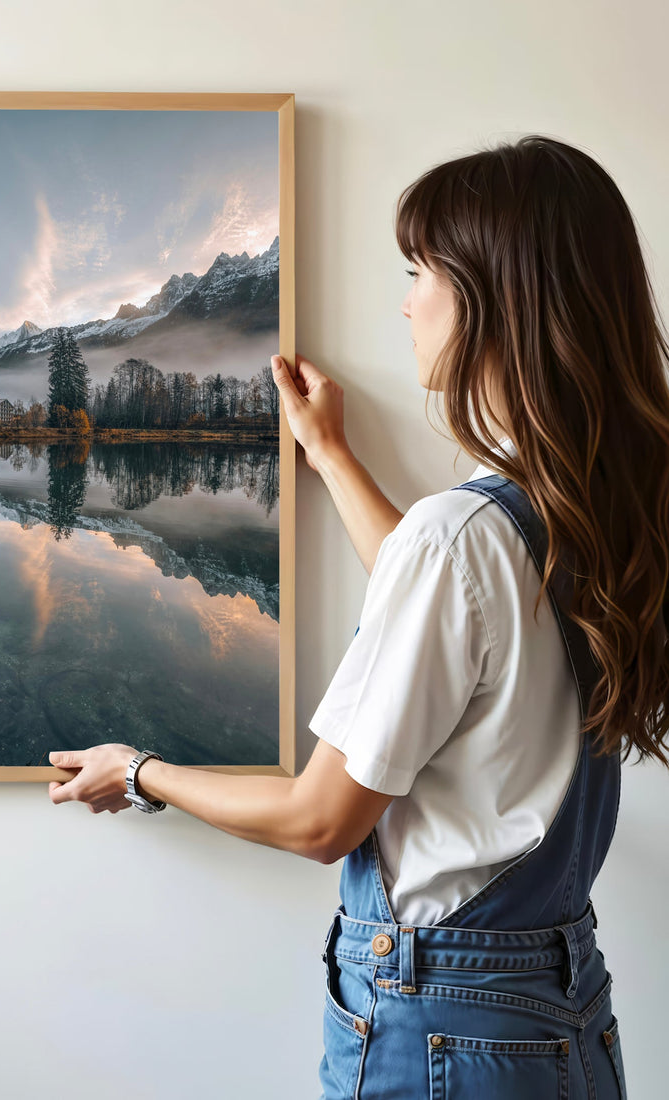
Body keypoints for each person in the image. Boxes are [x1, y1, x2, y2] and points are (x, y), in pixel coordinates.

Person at [46, 134, 669, 1098]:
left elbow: (319, 819)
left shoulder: (463, 536)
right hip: (558, 1015)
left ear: (494, 299)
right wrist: (332, 455)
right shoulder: (586, 509)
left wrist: (137, 771)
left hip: (443, 1030)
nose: (406, 299)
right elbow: (458, 622)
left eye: (421, 271)